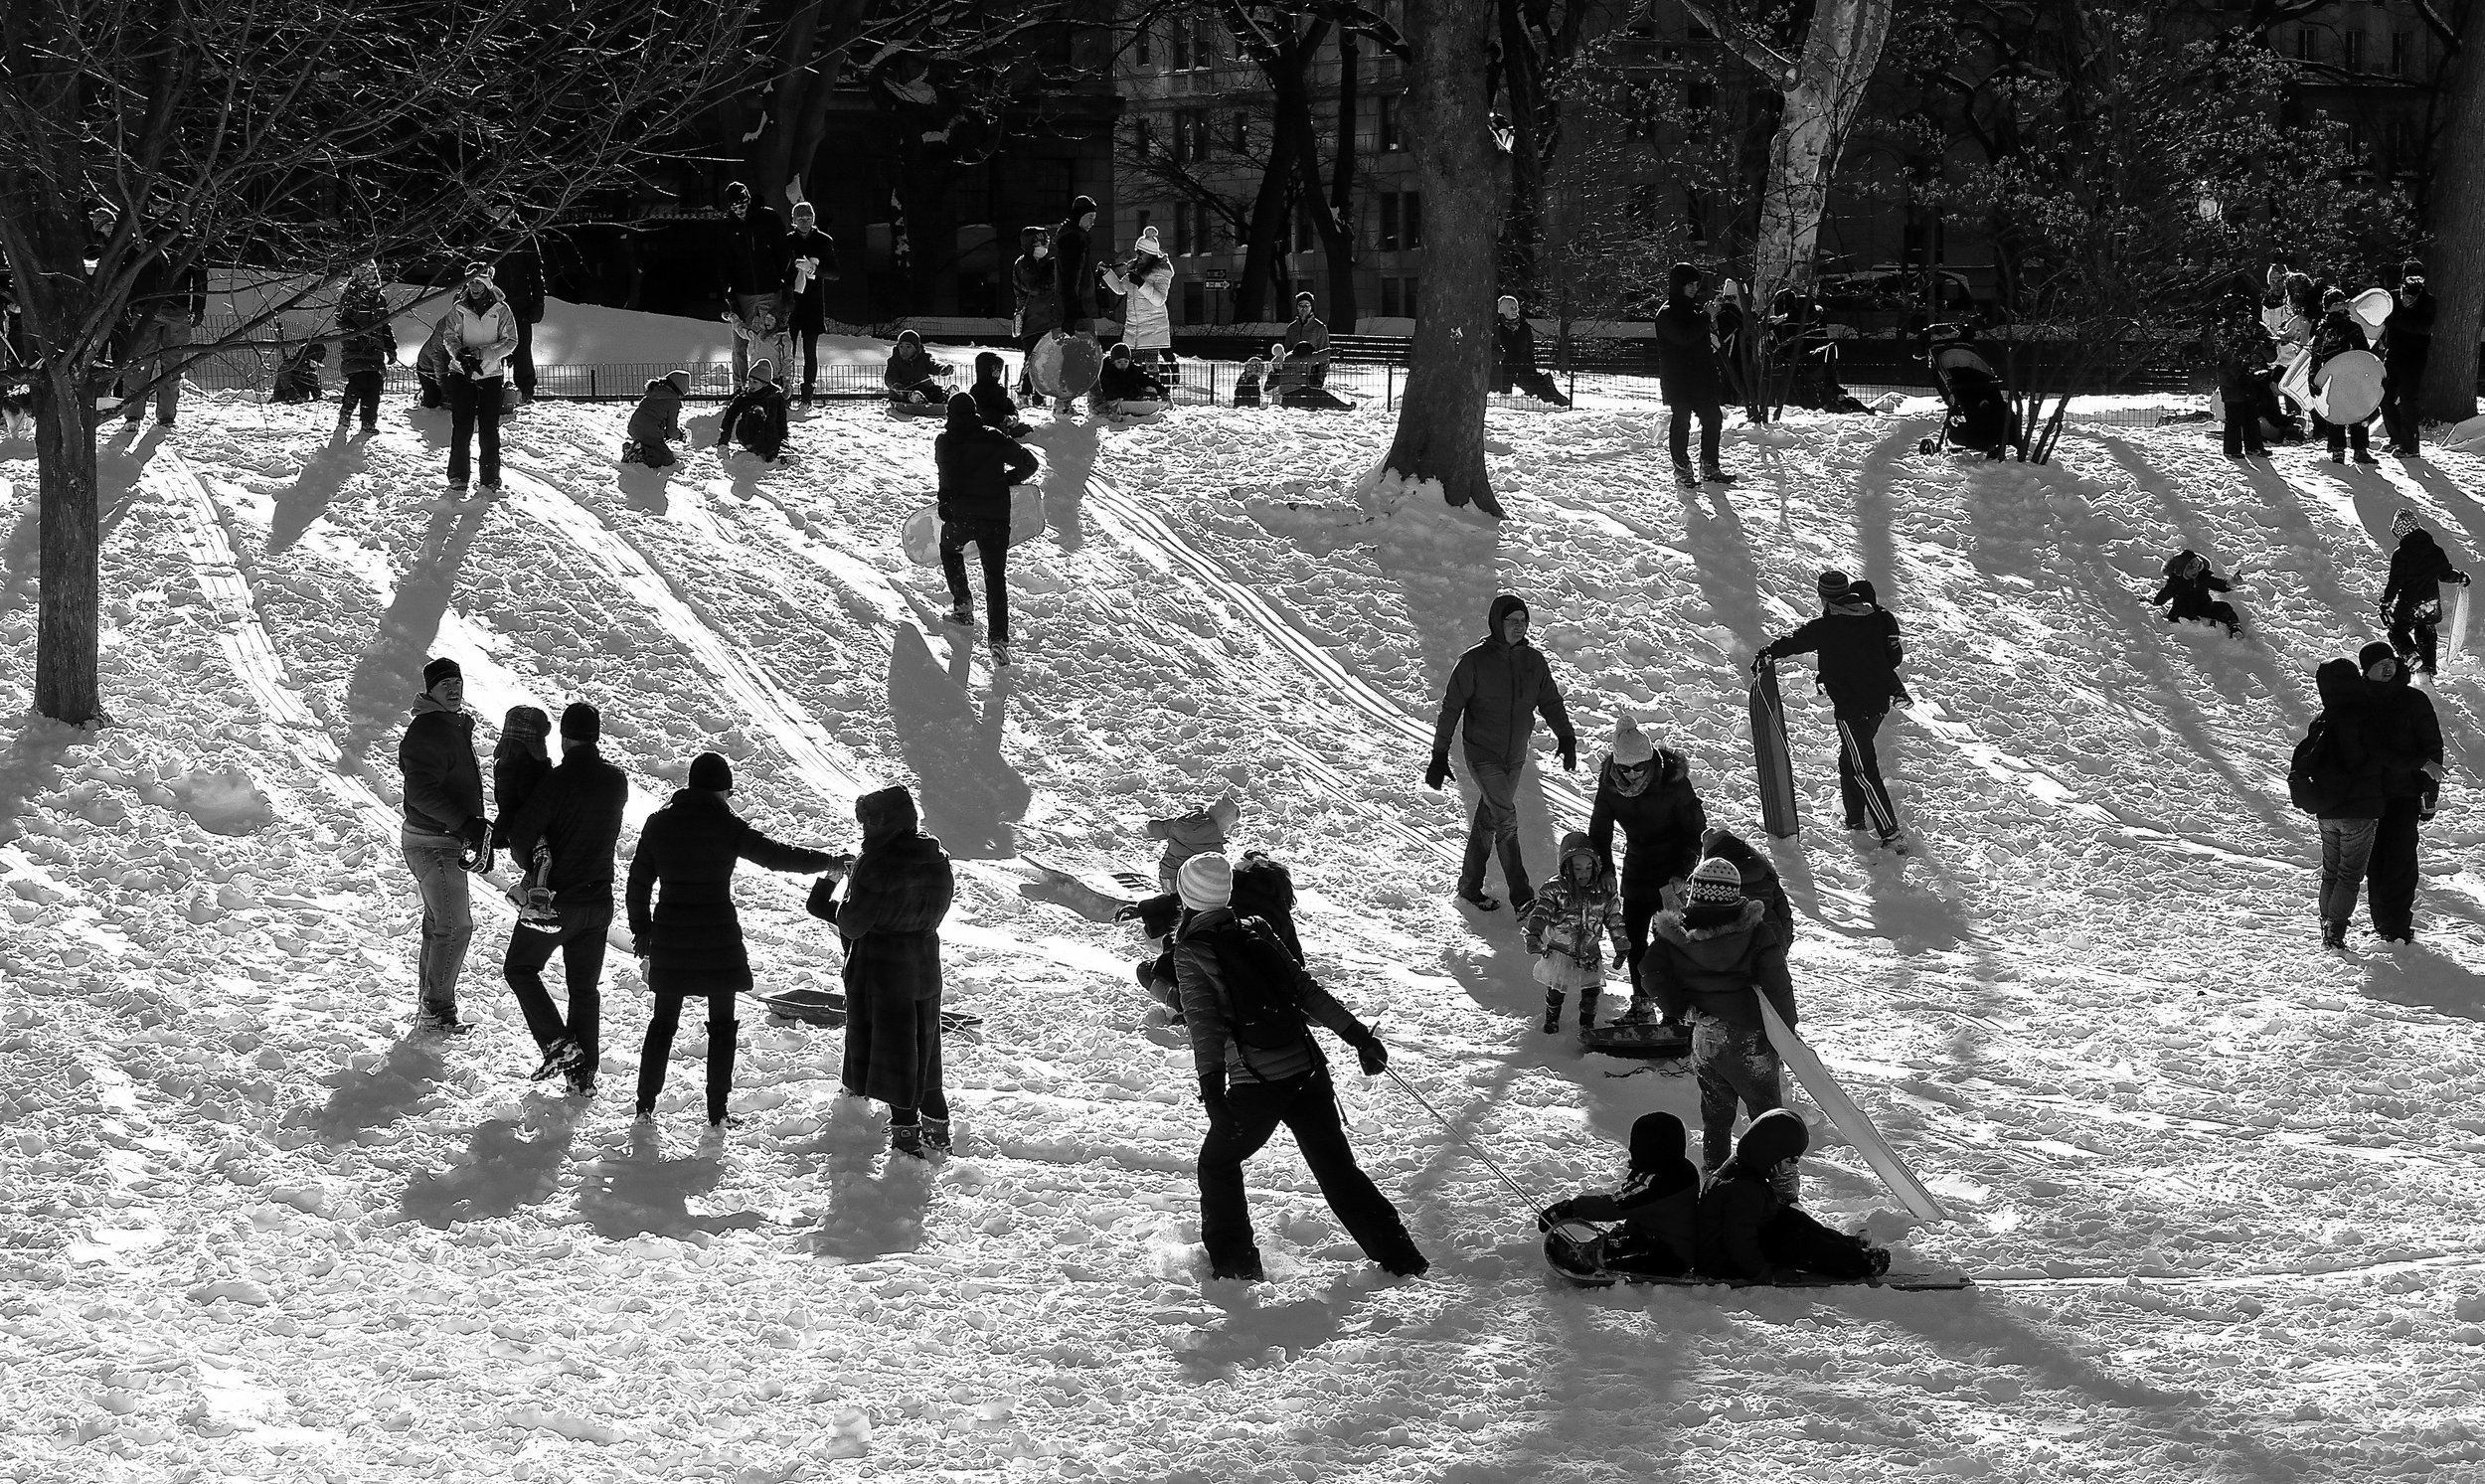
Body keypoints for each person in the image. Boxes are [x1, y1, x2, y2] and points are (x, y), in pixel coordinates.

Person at [1170, 853, 1426, 1282]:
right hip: (1307, 1069)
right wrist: (1359, 1037)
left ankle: (1236, 1269)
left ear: (1186, 895)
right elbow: (1306, 990)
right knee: (1336, 1168)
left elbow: (1204, 1025)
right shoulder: (1256, 928)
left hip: (1257, 1083)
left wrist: (1213, 1090)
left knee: (1217, 1165)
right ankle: (1402, 1259)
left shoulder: (1191, 950)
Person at [626, 751, 842, 1127]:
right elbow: (777, 857)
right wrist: (828, 862)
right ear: (720, 790)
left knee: (663, 1022)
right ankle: (717, 1111)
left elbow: (638, 883)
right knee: (723, 1025)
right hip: (717, 938)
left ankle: (645, 1105)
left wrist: (642, 930)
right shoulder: (725, 825)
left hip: (671, 936)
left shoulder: (659, 823)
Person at [814, 786, 956, 1157]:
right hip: (925, 963)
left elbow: (853, 923)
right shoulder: (937, 858)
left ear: (881, 823)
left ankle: (906, 1140)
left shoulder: (877, 863)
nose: (864, 831)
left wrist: (848, 887)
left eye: (867, 823)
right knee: (926, 1053)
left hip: (884, 971)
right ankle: (938, 1131)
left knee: (896, 1058)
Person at [499, 702, 628, 1097]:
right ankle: (582, 1076)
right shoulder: (616, 781)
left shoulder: (556, 782)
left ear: (564, 738)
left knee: (520, 968)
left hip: (558, 904)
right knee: (584, 990)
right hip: (599, 903)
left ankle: (558, 1043)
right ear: (596, 737)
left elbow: (522, 835)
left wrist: (531, 859)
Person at [1642, 857, 1799, 1175]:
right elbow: (1777, 985)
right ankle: (1779, 1184)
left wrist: (1681, 1008)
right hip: (1749, 1040)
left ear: (1695, 894)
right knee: (1767, 1117)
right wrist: (1788, 1033)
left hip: (1706, 1038)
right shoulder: (1756, 934)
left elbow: (1650, 971)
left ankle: (1715, 1177)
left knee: (1716, 1115)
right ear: (1734, 896)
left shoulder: (1677, 937)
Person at [1426, 593, 1577, 911]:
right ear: (1497, 622)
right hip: (1483, 754)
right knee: (1506, 821)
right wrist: (1439, 754)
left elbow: (1550, 701)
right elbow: (1451, 708)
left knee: (1489, 819)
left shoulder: (1533, 662)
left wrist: (1566, 736)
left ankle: (1469, 887)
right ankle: (1522, 898)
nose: (1519, 627)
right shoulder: (1474, 662)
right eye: (1512, 621)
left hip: (1515, 755)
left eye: (1523, 621)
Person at [1754, 570, 1908, 850]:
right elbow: (1887, 658)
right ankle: (1854, 821)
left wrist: (1767, 653)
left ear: (1822, 597)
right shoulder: (1873, 617)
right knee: (1850, 761)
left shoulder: (1826, 627)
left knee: (1863, 770)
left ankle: (1891, 834)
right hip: (1878, 704)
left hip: (1852, 709)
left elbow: (1795, 641)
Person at [398, 657, 490, 1035]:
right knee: (455, 926)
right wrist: (465, 823)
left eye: (457, 682)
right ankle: (436, 1011)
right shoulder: (430, 730)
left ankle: (430, 1007)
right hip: (432, 843)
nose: (454, 689)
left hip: (439, 839)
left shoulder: (447, 725)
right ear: (430, 690)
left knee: (440, 925)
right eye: (445, 684)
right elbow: (421, 793)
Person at [1696, 1109, 1889, 1283]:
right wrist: (1762, 1273)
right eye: (1790, 1161)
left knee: (1792, 1219)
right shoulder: (1743, 1188)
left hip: (1742, 1243)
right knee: (1797, 1243)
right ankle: (1859, 1262)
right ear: (1770, 1154)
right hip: (1726, 1261)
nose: (1791, 1168)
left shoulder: (1744, 1166)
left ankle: (1846, 1245)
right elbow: (1739, 1241)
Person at [1585, 717, 1706, 991]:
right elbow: (1600, 830)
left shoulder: (1673, 782)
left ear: (1650, 761)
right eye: (1625, 769)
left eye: (1639, 767)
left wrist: (1682, 872)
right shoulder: (1610, 785)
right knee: (1634, 938)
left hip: (1672, 868)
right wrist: (1605, 869)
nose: (1632, 774)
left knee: (1670, 938)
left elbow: (1694, 831)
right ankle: (1641, 999)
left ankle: (1673, 1002)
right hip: (1638, 866)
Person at [934, 392, 1040, 664]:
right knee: (995, 576)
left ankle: (963, 606)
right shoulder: (993, 437)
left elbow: (946, 478)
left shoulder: (946, 441)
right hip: (995, 519)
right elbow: (1030, 464)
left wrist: (945, 503)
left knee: (950, 549)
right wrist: (1008, 480)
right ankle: (998, 640)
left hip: (962, 517)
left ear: (950, 415)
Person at [1535, 1111, 1700, 1280]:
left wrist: (1571, 1208)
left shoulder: (1663, 1183)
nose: (1630, 1149)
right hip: (1654, 1238)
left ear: (1652, 1151)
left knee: (1627, 1250)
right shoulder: (1671, 1169)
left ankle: (1589, 1259)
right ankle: (1598, 1250)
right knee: (1626, 1241)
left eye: (1637, 1146)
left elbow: (1617, 1205)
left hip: (1668, 1255)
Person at [2359, 641, 2445, 946]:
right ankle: (2381, 923)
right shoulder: (2358, 700)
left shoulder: (2413, 700)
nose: (2387, 668)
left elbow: (2432, 748)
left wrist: (2429, 795)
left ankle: (2396, 927)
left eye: (2390, 663)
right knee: (2374, 863)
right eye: (2379, 664)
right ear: (2366, 670)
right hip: (2365, 796)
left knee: (2400, 863)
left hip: (2403, 795)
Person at [2309, 657, 2394, 950]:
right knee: (2349, 876)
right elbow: (2383, 756)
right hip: (2360, 810)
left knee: (2330, 872)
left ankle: (2326, 926)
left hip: (2327, 810)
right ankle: (2335, 933)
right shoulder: (2365, 717)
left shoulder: (2321, 720)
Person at [1521, 831, 1629, 1036]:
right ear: (1566, 868)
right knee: (1556, 989)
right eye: (1577, 868)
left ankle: (1587, 1024)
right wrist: (1533, 934)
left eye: (1589, 867)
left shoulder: (1602, 893)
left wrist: (1621, 945)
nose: (1584, 873)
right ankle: (1552, 1018)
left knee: (1591, 991)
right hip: (1561, 950)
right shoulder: (1555, 890)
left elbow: (1615, 920)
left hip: (1590, 952)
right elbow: (1541, 913)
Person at [433, 261, 520, 498]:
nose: (474, 287)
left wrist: (483, 353)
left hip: (490, 375)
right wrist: (460, 354)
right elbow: (449, 337)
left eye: (479, 283)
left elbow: (510, 341)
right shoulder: (459, 309)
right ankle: (458, 476)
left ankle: (490, 477)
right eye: (471, 282)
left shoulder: (501, 310)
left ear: (488, 284)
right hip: (461, 373)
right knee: (462, 426)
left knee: (489, 427)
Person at [119, 228, 208, 428]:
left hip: (174, 310)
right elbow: (127, 273)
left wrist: (199, 307)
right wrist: (126, 305)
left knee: (169, 367)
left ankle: (164, 417)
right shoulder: (142, 236)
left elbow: (200, 275)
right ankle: (134, 417)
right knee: (141, 365)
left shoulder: (187, 238)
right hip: (146, 309)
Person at [1654, 261, 1731, 488]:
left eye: (1696, 285)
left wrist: (1710, 317)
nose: (1693, 289)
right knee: (1682, 422)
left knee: (1713, 418)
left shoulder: (1695, 311)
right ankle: (1682, 470)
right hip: (1678, 379)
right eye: (1689, 284)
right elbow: (1684, 337)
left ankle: (1710, 466)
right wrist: (1706, 317)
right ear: (1678, 285)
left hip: (1700, 379)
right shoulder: (1666, 314)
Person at [2381, 509, 2470, 677]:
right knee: (2427, 633)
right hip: (2431, 604)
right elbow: (2445, 574)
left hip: (2409, 605)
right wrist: (2460, 577)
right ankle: (2427, 670)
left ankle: (2411, 655)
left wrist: (2387, 601)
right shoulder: (2435, 551)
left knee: (2397, 630)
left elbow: (2395, 582)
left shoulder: (2401, 555)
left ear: (2401, 532)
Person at [722, 181, 787, 385]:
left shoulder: (768, 218)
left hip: (770, 288)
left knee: (771, 339)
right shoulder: (727, 226)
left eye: (742, 205)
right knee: (739, 343)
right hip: (742, 292)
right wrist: (728, 293)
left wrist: (781, 278)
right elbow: (723, 261)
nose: (739, 211)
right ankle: (740, 386)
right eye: (734, 207)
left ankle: (772, 383)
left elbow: (783, 251)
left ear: (749, 201)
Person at [2308, 287, 2376, 465]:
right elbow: (2316, 356)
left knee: (2359, 412)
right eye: (2336, 304)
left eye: (2342, 303)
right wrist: (2313, 379)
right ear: (2328, 307)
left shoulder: (2353, 328)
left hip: (2354, 377)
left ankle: (2360, 449)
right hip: (2333, 378)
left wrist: (2369, 374)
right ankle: (2337, 449)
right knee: (2335, 413)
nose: (2340, 307)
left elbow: (2364, 354)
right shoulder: (2322, 331)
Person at [779, 201, 836, 405]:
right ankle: (785, 391)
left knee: (810, 351)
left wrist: (813, 269)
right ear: (794, 220)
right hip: (791, 302)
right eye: (800, 218)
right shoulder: (787, 241)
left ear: (813, 219)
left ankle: (807, 394)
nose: (805, 222)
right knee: (788, 351)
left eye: (808, 218)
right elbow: (778, 270)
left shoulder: (823, 241)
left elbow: (835, 273)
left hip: (813, 303)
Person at [2381, 261, 2435, 458]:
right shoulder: (2393, 297)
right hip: (2393, 354)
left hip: (2414, 358)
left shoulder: (2428, 301)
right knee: (2384, 397)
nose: (2415, 282)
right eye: (2412, 278)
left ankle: (2410, 446)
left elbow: (2424, 328)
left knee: (2408, 401)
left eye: (2420, 278)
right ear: (2404, 278)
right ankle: (2396, 438)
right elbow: (2381, 319)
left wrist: (2396, 321)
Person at [1101, 226, 1174, 373]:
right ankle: (1137, 387)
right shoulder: (1135, 271)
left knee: (1150, 366)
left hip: (1153, 328)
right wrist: (1106, 273)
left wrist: (1141, 284)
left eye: (1141, 253)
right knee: (1134, 366)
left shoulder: (1161, 272)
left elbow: (1159, 300)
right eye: (1137, 252)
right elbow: (1120, 289)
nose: (1138, 256)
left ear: (1151, 254)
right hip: (1133, 327)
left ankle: (1152, 385)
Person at [335, 259, 395, 437]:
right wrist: (358, 333)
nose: (369, 278)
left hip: (375, 349)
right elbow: (341, 319)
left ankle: (368, 423)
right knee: (357, 384)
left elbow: (385, 324)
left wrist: (390, 346)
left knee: (374, 388)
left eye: (372, 274)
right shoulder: (351, 295)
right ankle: (345, 416)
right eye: (364, 274)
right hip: (356, 349)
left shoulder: (379, 298)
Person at [2213, 303, 2273, 458]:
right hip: (2232, 379)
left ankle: (2254, 447)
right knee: (2234, 416)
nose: (2243, 319)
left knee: (2251, 415)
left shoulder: (2250, 329)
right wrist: (2249, 352)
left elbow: (2267, 348)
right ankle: (2232, 450)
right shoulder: (2224, 332)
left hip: (2247, 378)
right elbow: (2227, 357)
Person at [1491, 295, 1571, 408]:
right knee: (1503, 396)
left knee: (1539, 388)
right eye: (1511, 308)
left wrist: (1531, 369)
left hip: (1523, 368)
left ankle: (1557, 402)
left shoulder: (1524, 327)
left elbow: (1529, 350)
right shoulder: (1497, 328)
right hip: (1504, 368)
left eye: (1516, 308)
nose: (1515, 311)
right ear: (1503, 310)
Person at [496, 227, 546, 404]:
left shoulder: (524, 234)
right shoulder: (485, 232)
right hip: (493, 303)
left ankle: (526, 391)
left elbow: (536, 272)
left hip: (520, 304)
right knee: (492, 347)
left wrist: (538, 302)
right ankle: (493, 389)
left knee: (522, 348)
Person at [1011, 226, 1060, 401]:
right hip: (1031, 321)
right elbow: (1035, 287)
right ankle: (1024, 393)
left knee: (1047, 361)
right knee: (1032, 358)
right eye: (1040, 243)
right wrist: (1053, 277)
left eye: (1046, 242)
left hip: (1049, 319)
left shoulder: (1048, 263)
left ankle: (1040, 395)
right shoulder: (1023, 264)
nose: (1044, 247)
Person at [2151, 550, 2242, 638]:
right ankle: (2202, 623)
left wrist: (2230, 583)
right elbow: (2165, 593)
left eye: (2196, 564)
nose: (2195, 569)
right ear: (2181, 571)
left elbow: (2217, 584)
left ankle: (2235, 627)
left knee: (2225, 608)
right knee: (2178, 616)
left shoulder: (2202, 576)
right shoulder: (2176, 583)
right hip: (2183, 608)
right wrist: (2156, 602)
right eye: (2191, 567)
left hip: (2204, 606)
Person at [717, 360, 789, 462]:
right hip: (748, 435)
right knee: (756, 412)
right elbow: (729, 417)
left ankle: (776, 453)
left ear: (765, 384)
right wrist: (723, 441)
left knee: (770, 421)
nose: (751, 385)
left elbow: (781, 421)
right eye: (749, 381)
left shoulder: (775, 397)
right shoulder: (744, 397)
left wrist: (784, 441)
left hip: (770, 436)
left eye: (755, 382)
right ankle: (758, 448)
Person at [622, 369, 690, 468]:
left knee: (652, 444)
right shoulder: (673, 401)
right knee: (666, 459)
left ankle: (634, 448)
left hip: (634, 428)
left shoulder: (653, 392)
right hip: (649, 432)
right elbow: (671, 430)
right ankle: (640, 454)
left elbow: (650, 417)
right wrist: (680, 436)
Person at [1053, 196, 1101, 338]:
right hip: (1078, 311)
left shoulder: (1072, 236)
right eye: (1090, 217)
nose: (1093, 222)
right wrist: (1071, 315)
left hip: (1076, 310)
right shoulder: (1072, 240)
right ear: (1079, 215)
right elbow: (1069, 278)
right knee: (1087, 346)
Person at [1091, 341, 1167, 413]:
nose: (1123, 364)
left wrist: (1162, 391)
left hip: (1129, 401)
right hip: (1110, 402)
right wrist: (1133, 394)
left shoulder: (1133, 370)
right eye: (1119, 362)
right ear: (1113, 362)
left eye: (1126, 361)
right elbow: (1110, 391)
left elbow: (1147, 380)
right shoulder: (1106, 372)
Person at [967, 351, 1030, 435]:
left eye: (999, 369)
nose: (997, 371)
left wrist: (1013, 416)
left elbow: (1009, 404)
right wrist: (1001, 418)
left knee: (1027, 430)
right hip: (988, 427)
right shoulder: (978, 390)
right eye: (994, 369)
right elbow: (982, 411)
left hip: (1004, 425)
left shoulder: (999, 389)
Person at [884, 329, 952, 405]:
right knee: (908, 395)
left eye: (908, 347)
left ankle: (946, 396)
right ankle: (919, 400)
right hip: (904, 391)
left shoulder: (924, 358)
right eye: (901, 346)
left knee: (936, 390)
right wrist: (895, 384)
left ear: (916, 348)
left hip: (924, 389)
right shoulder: (894, 361)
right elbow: (889, 376)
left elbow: (933, 364)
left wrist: (943, 369)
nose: (904, 350)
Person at [1713, 278, 1750, 410]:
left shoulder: (1716, 312)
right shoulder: (1732, 313)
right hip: (1732, 362)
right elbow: (1750, 332)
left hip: (1718, 362)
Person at [1284, 291, 1329, 387]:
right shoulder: (1292, 328)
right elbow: (1287, 350)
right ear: (1297, 307)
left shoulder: (1319, 328)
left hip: (1312, 373)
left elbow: (1324, 353)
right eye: (1301, 305)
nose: (1304, 308)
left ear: (1311, 307)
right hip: (1294, 373)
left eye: (1307, 305)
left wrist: (1320, 376)